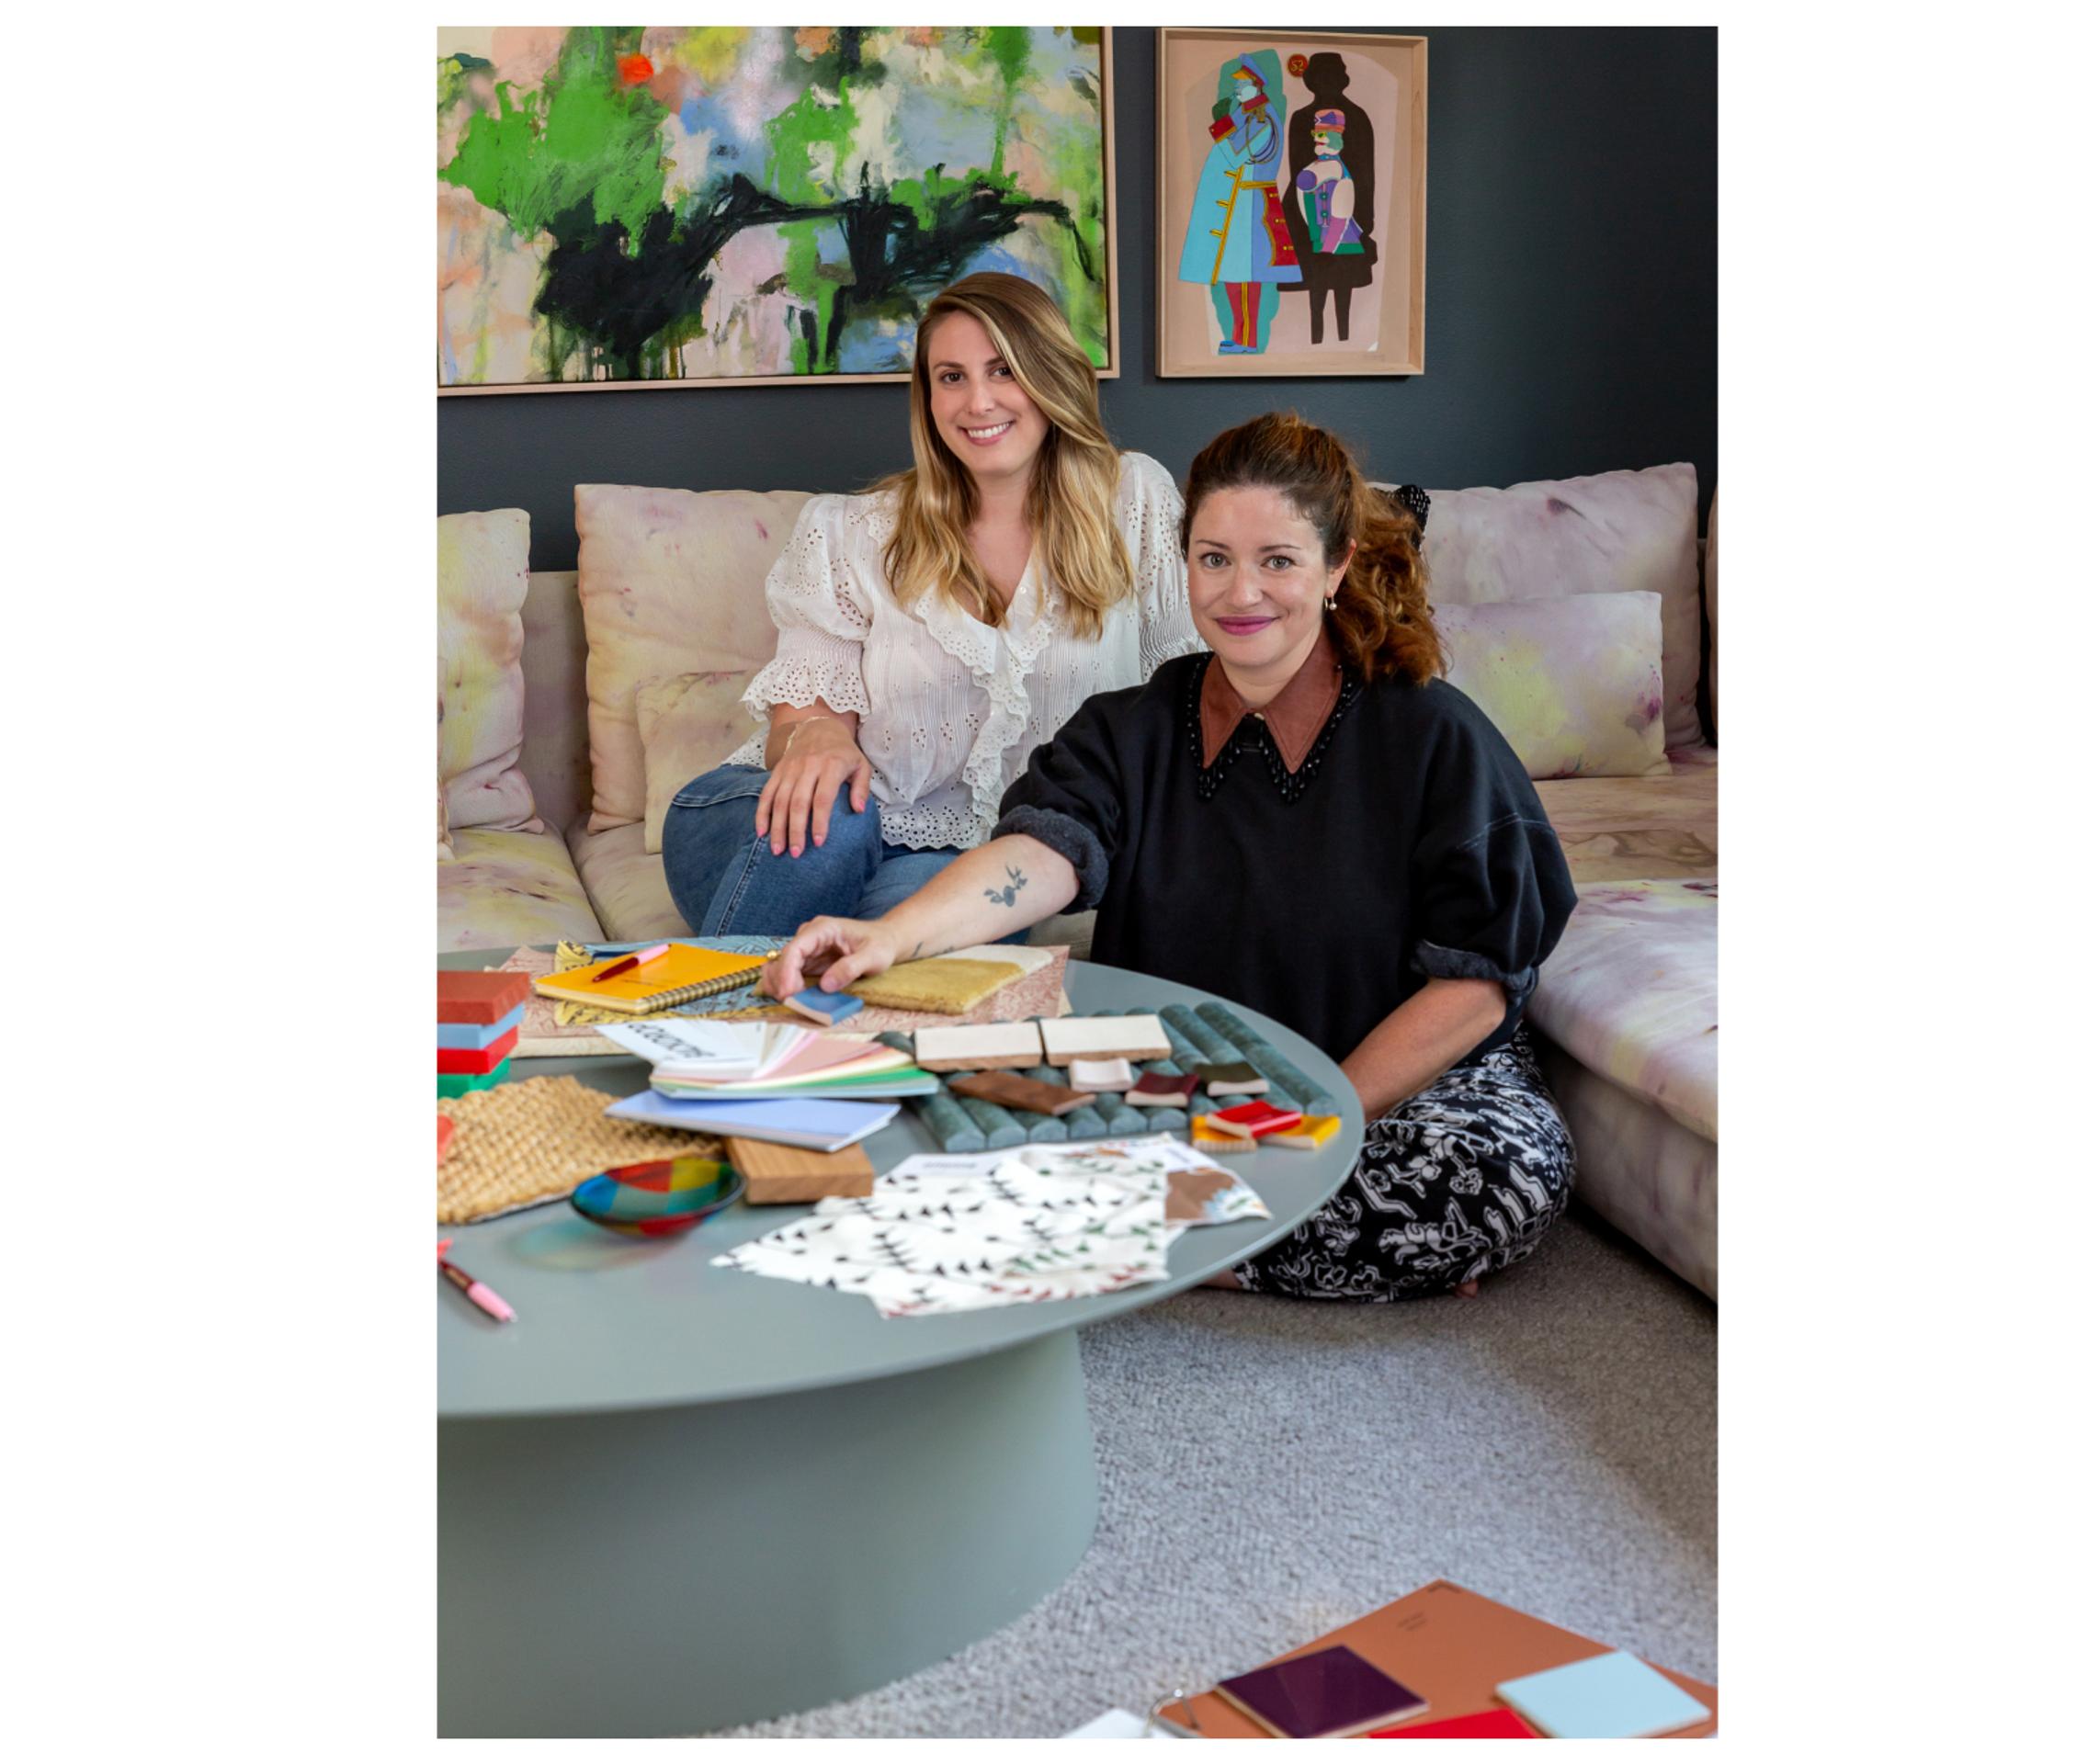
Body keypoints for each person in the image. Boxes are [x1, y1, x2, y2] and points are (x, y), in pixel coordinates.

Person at [763, 413, 1582, 1302]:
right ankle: (1241, 1238)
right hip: (1189, 1071)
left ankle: (1152, 1242)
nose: (1241, 592)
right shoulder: (1128, 727)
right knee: (941, 1106)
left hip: (1393, 1079)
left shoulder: (1434, 733)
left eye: (1278, 560)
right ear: (1182, 564)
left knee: (1494, 1177)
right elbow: (1036, 857)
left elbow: (1481, 980)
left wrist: (1318, 1121)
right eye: (1214, 558)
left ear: (1336, 565)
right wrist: (891, 937)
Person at [658, 272, 1198, 936]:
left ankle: (731, 1005)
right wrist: (817, 734)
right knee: (838, 817)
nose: (977, 402)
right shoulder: (852, 533)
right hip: (770, 818)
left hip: (973, 852)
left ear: (1050, 374)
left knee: (960, 924)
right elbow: (803, 717)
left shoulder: (1133, 503)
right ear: (927, 396)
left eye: (1003, 370)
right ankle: (720, 1029)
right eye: (950, 377)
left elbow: (1188, 694)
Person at [1177, 52, 1302, 355]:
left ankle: (1248, 339)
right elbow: (1223, 142)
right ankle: (1239, 336)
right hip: (1239, 203)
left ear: (1257, 86)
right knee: (1234, 274)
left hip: (1251, 205)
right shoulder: (1245, 112)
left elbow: (1234, 152)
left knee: (1247, 276)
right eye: (1237, 84)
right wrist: (1226, 120)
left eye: (1242, 84)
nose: (1237, 89)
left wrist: (1223, 122)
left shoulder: (1262, 116)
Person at [1284, 52, 1379, 345]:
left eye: (1331, 77)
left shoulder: (1358, 117)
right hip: (1309, 211)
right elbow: (1298, 169)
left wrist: (1364, 220)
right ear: (1312, 81)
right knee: (1316, 283)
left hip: (1349, 210)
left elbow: (1366, 172)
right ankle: (1317, 337)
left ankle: (1344, 338)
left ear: (1341, 80)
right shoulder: (1301, 119)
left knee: (1343, 281)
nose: (1326, 84)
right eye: (1321, 77)